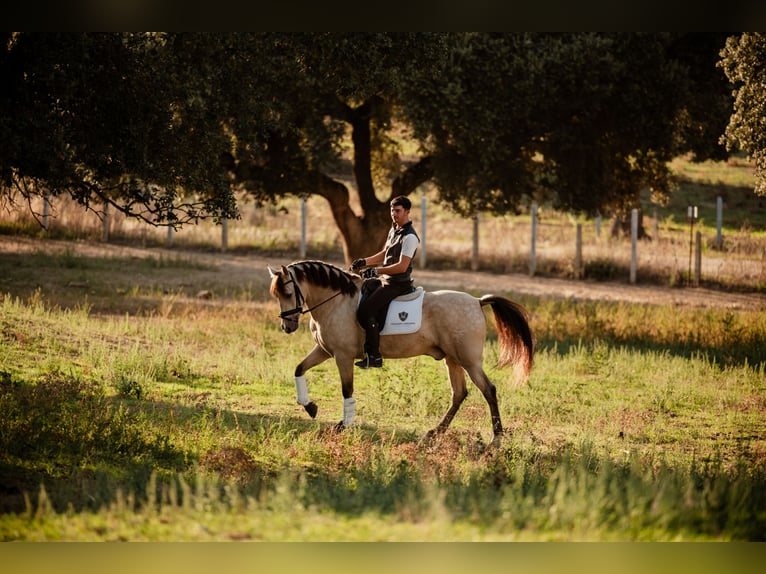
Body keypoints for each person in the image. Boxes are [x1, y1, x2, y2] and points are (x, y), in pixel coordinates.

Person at [351, 195, 420, 369]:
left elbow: (402, 266)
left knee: (365, 312)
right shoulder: (394, 230)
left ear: (407, 212)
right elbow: (384, 253)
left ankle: (374, 356)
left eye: (397, 211)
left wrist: (376, 270)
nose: (393, 214)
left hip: (398, 284)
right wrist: (364, 262)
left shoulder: (410, 237)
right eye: (392, 210)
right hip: (386, 280)